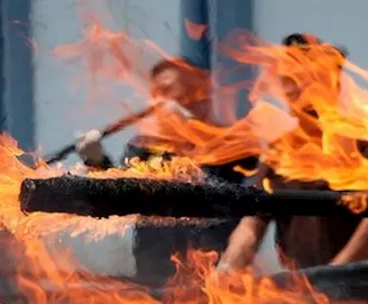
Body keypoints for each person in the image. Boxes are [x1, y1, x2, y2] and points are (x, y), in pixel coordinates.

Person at [216, 33, 368, 304]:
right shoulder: (278, 149)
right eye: (284, 79)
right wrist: (227, 269)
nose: (288, 88)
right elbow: (252, 224)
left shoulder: (361, 140)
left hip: (358, 301)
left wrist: (336, 274)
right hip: (299, 299)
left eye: (297, 78)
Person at [75, 58, 257, 286]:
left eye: (168, 90)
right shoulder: (143, 148)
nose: (159, 100)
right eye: (156, 91)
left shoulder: (228, 144)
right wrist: (97, 161)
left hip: (212, 273)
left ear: (197, 95)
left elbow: (221, 182)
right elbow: (121, 199)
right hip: (154, 272)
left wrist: (189, 126)